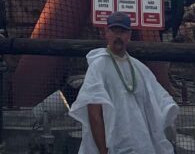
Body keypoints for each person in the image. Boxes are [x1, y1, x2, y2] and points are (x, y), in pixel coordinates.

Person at [69, 11, 178, 154]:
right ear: (107, 33)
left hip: (141, 144)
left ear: (129, 35)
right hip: (113, 145)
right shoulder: (99, 66)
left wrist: (169, 107)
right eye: (114, 31)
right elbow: (94, 114)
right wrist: (103, 150)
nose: (118, 36)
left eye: (122, 32)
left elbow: (159, 100)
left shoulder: (138, 67)